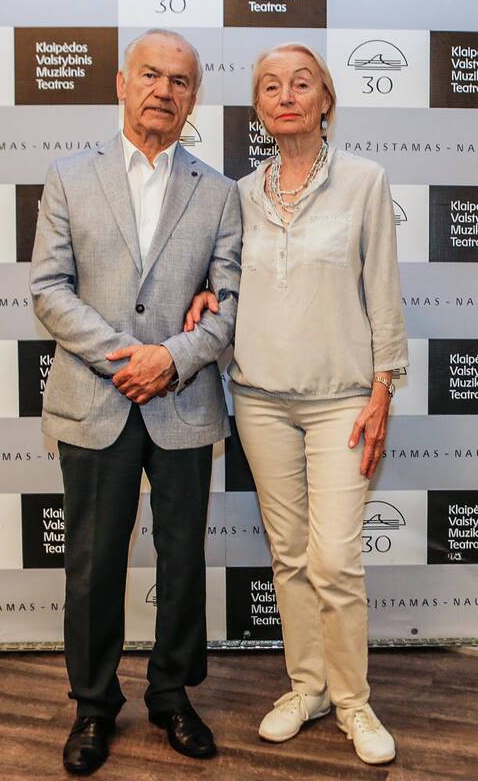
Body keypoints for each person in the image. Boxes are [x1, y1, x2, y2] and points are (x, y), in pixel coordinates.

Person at [184, 42, 408, 766]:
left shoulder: (365, 181)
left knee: (335, 559)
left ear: (325, 100)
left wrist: (383, 387)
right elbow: (229, 279)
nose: (286, 96)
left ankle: (353, 702)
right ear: (258, 107)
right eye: (271, 86)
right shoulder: (240, 194)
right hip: (259, 400)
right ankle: (307, 688)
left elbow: (383, 290)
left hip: (344, 400)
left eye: (300, 84)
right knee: (290, 557)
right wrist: (208, 295)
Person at [30, 28, 241, 775]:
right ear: (122, 84)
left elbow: (229, 302)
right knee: (92, 565)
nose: (163, 90)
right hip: (96, 398)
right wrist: (130, 358)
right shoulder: (68, 177)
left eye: (180, 81)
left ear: (193, 99)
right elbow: (48, 289)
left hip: (184, 403)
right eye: (150, 75)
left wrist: (172, 360)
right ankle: (92, 705)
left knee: (183, 559)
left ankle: (172, 694)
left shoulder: (220, 192)